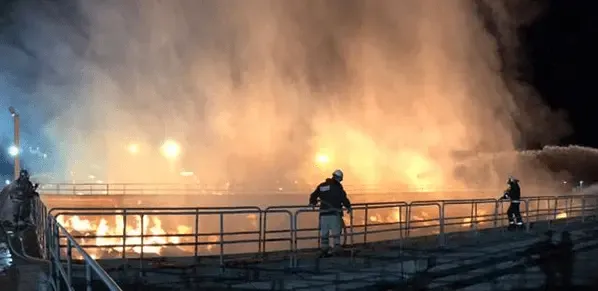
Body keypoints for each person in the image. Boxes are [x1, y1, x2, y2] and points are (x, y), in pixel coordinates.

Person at [309, 169, 352, 257]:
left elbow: (313, 195)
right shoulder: (338, 187)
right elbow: (343, 198)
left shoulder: (322, 186)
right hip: (334, 214)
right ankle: (336, 249)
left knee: (324, 232)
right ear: (339, 178)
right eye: (341, 179)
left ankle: (324, 249)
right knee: (336, 232)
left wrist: (313, 202)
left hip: (323, 214)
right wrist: (348, 207)